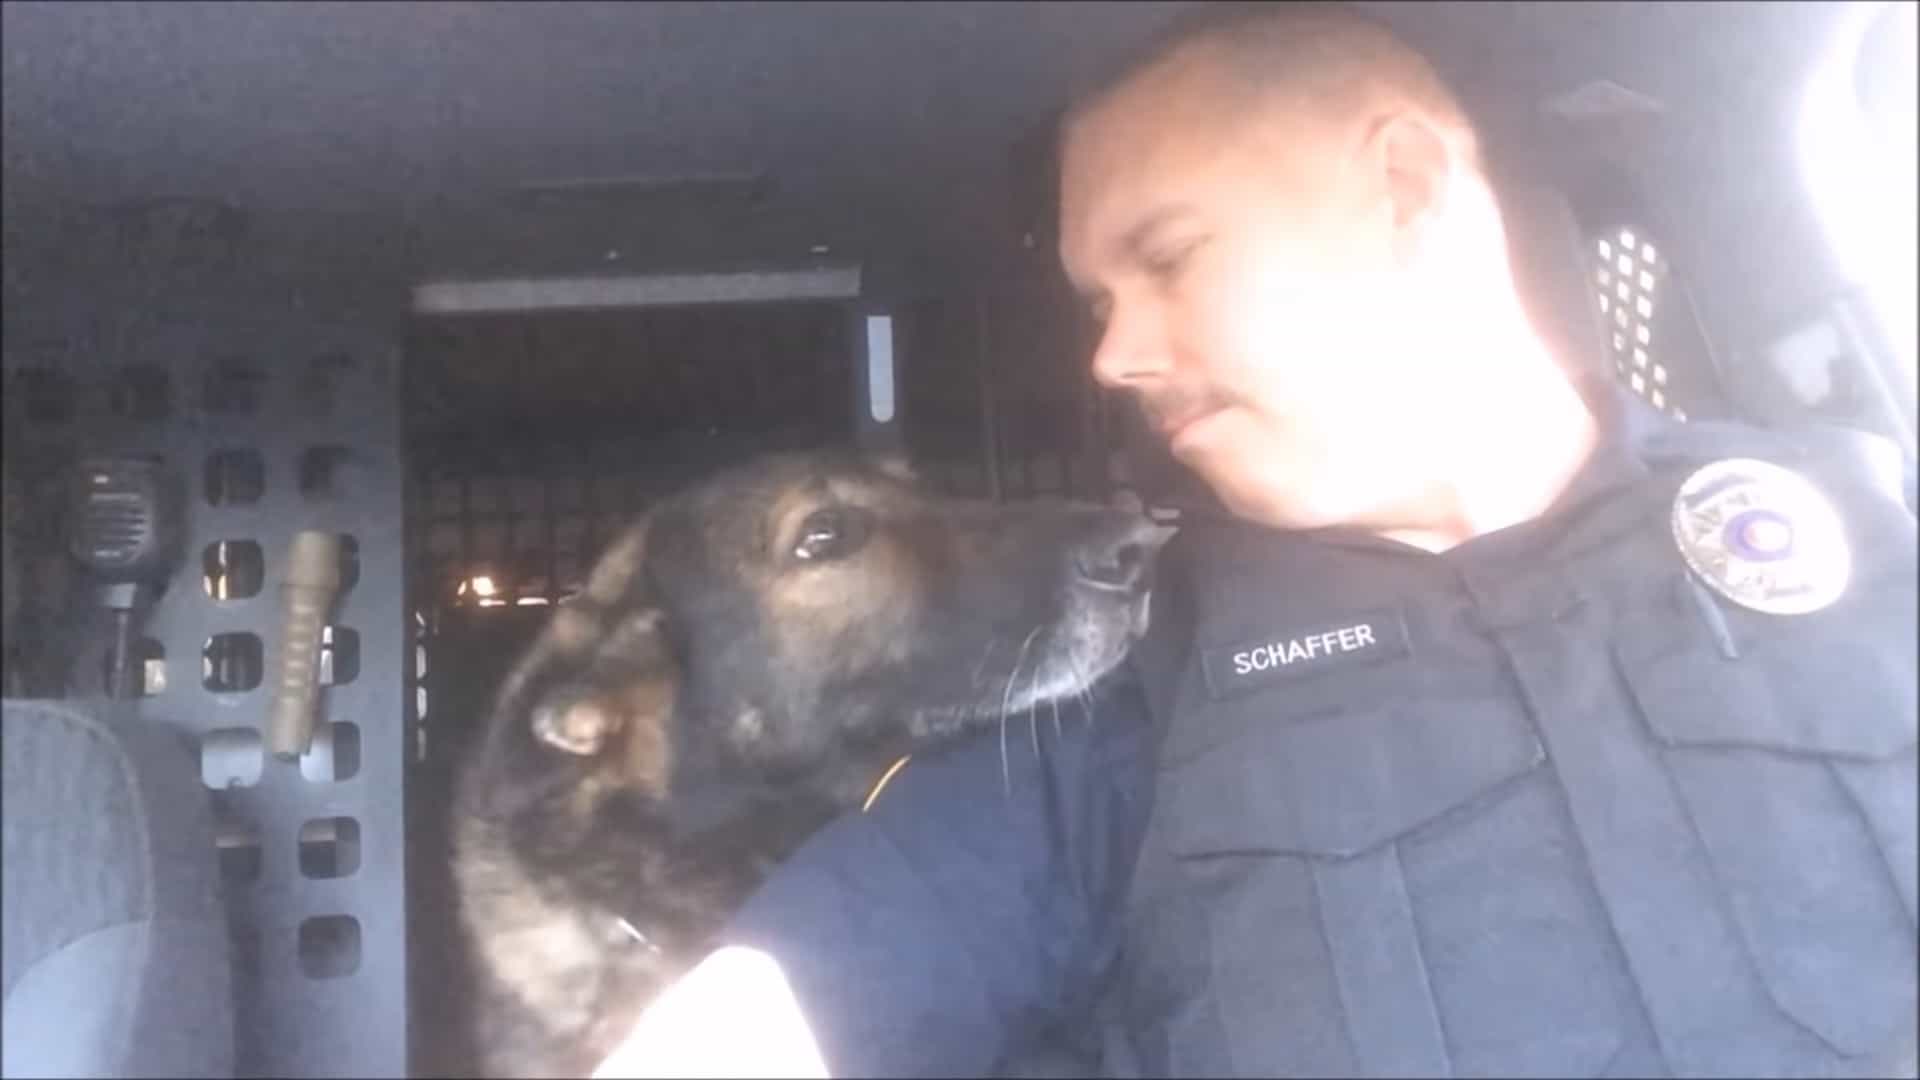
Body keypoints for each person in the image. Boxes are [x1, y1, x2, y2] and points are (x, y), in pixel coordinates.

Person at [594, 3, 1919, 1077]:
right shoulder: (1127, 694)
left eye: (1166, 260)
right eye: (1098, 301)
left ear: (1404, 190)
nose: (1111, 354)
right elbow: (778, 1012)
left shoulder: (1869, 518)